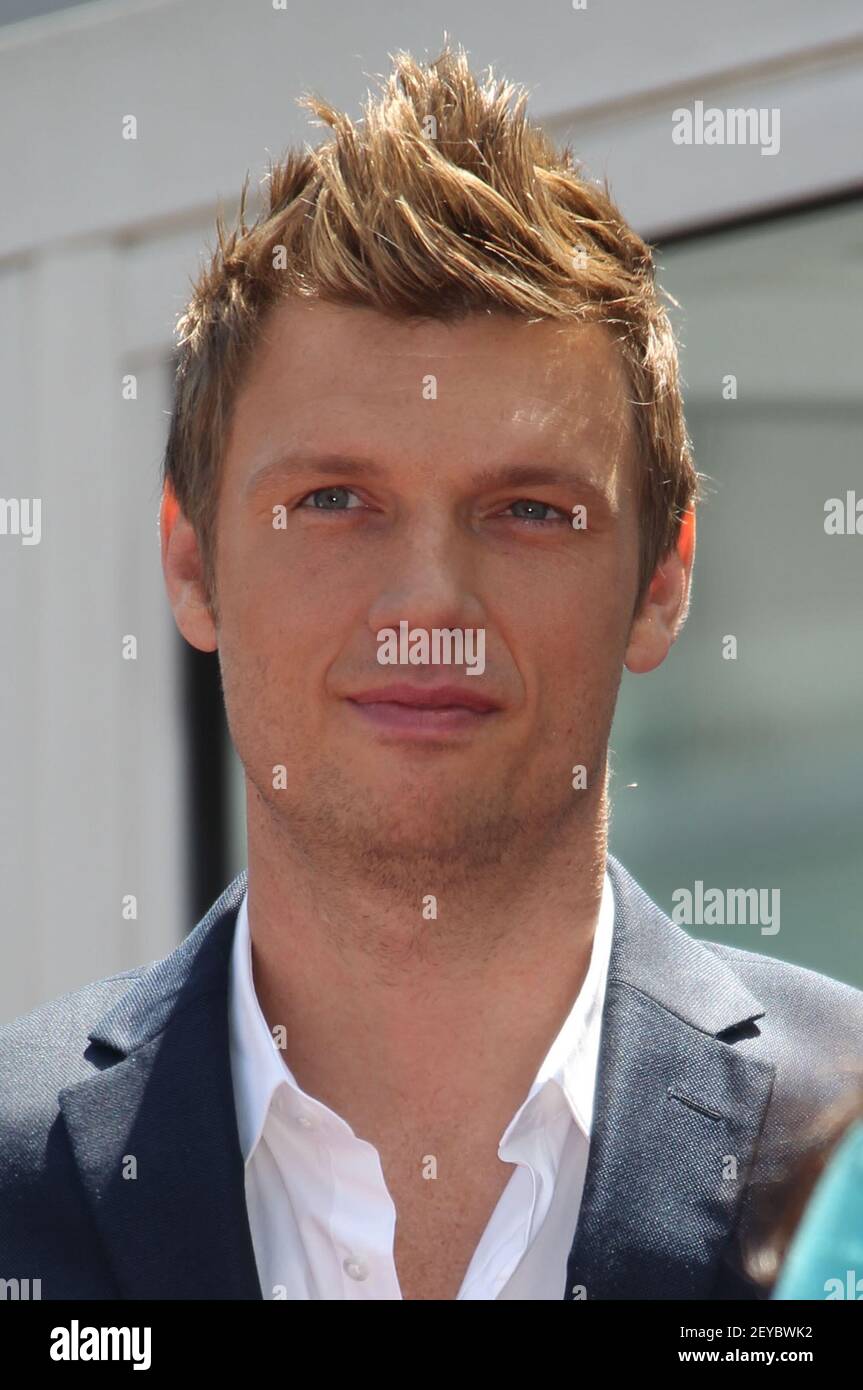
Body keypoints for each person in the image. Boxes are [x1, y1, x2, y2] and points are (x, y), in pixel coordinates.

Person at [1, 43, 861, 1301]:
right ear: (191, 564)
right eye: (335, 498)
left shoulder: (844, 1155)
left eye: (526, 510)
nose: (425, 608)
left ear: (662, 579)